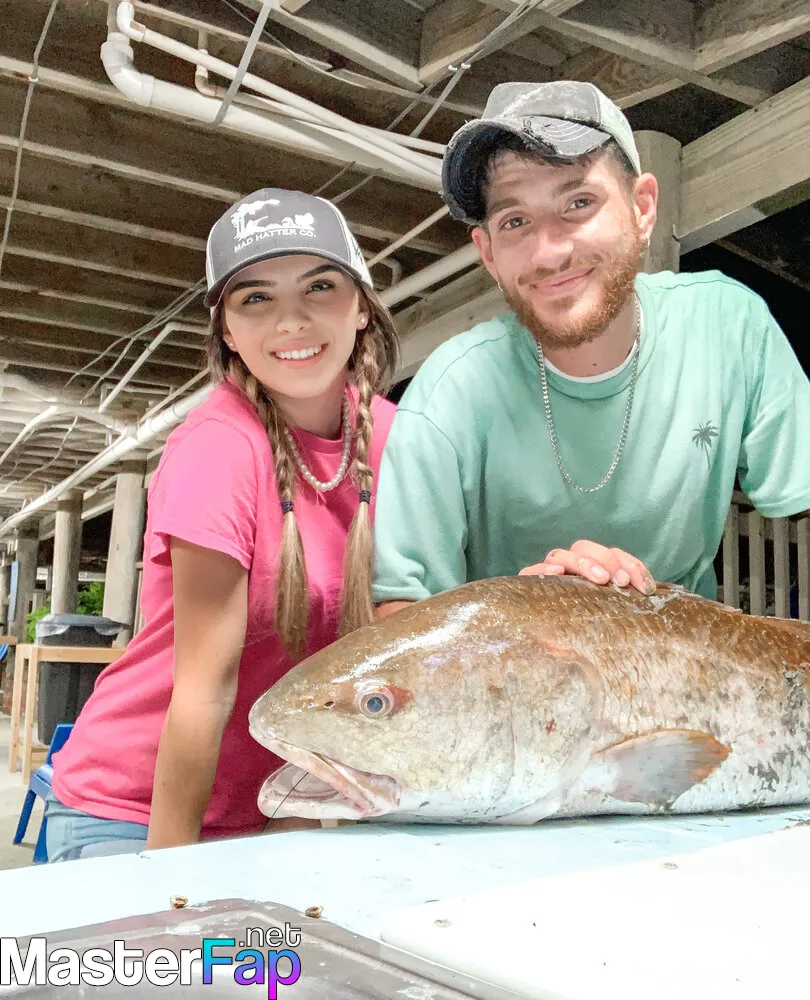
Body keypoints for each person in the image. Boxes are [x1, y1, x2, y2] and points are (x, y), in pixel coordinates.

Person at [45, 188, 399, 861]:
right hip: (141, 813)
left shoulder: (399, 440)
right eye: (256, 298)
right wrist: (170, 888)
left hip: (274, 809)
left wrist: (297, 813)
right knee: (178, 941)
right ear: (228, 332)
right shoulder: (218, 448)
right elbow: (205, 690)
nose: (291, 320)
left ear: (361, 307)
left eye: (319, 286)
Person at [371, 81, 810, 619]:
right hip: (509, 664)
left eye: (578, 203)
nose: (550, 252)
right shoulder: (449, 394)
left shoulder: (727, 326)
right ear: (488, 254)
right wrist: (528, 613)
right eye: (515, 221)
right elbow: (399, 613)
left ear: (642, 207)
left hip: (687, 656)